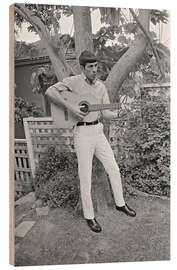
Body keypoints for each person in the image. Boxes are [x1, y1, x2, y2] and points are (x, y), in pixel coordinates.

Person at [45, 50, 136, 233]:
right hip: (82, 133)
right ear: (83, 68)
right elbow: (50, 91)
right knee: (85, 175)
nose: (95, 70)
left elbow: (106, 113)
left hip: (98, 131)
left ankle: (120, 203)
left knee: (114, 168)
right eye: (91, 67)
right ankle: (89, 216)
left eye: (96, 66)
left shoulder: (101, 87)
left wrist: (120, 113)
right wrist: (71, 107)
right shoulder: (73, 82)